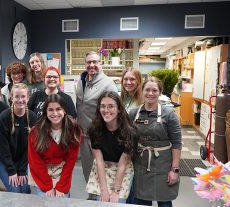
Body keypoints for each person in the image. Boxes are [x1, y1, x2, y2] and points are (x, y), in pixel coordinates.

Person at [128, 77, 182, 207]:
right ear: (142, 91)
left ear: (160, 92)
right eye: (147, 90)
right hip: (140, 166)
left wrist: (174, 170)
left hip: (163, 167)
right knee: (140, 202)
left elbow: (176, 143)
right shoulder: (134, 113)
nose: (150, 93)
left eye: (154, 90)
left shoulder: (169, 114)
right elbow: (128, 139)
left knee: (164, 202)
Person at [75, 51, 118, 199]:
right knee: (88, 171)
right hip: (84, 136)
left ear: (101, 63)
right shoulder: (81, 81)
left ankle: (102, 199)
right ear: (85, 64)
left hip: (100, 136)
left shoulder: (108, 84)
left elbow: (114, 110)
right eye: (88, 62)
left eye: (95, 62)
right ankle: (93, 198)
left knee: (102, 172)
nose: (92, 65)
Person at [86, 91, 137, 203]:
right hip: (102, 167)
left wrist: (116, 191)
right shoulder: (94, 130)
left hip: (122, 169)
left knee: (117, 201)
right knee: (101, 199)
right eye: (103, 106)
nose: (106, 110)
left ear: (119, 109)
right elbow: (99, 161)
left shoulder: (130, 132)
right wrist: (104, 190)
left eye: (111, 106)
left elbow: (122, 164)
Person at [28, 94, 82, 198]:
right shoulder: (35, 132)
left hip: (62, 172)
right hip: (41, 172)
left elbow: (70, 162)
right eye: (51, 110)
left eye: (58, 109)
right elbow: (35, 162)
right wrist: (48, 187)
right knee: (46, 201)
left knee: (62, 201)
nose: (55, 113)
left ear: (65, 110)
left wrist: (61, 187)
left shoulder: (74, 130)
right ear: (46, 112)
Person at [0, 83, 37, 193]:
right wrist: (12, 171)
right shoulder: (4, 118)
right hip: (1, 159)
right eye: (17, 96)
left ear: (28, 98)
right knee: (15, 190)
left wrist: (21, 170)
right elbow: (2, 148)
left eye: (23, 96)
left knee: (25, 191)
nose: (20, 100)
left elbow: (31, 147)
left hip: (21, 159)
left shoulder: (33, 117)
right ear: (11, 98)